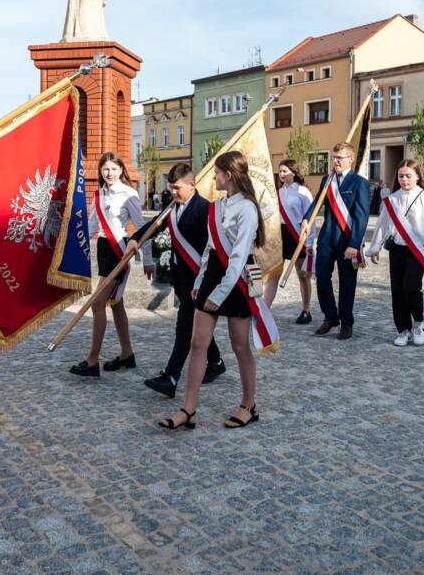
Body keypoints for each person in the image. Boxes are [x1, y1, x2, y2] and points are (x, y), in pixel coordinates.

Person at [159, 151, 272, 432]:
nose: (214, 177)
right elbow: (210, 249)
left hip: (236, 281)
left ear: (229, 175)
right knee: (198, 343)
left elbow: (238, 256)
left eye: (218, 173)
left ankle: (248, 405)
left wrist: (219, 294)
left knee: (239, 345)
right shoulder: (219, 206)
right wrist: (199, 283)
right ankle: (189, 409)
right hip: (212, 278)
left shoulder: (246, 209)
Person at [125, 163, 226, 397]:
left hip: (200, 281)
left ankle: (171, 377)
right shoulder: (172, 206)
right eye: (170, 188)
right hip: (181, 280)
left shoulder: (204, 209)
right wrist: (136, 239)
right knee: (195, 327)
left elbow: (213, 249)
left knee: (185, 328)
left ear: (192, 185)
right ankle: (217, 362)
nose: (173, 192)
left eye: (177, 188)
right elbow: (154, 226)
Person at [69, 152, 153, 377]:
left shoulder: (129, 194)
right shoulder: (98, 195)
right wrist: (74, 248)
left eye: (114, 169)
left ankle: (92, 361)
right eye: (105, 169)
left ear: (121, 170)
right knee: (116, 303)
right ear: (100, 171)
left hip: (120, 251)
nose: (109, 173)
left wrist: (148, 259)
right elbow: (91, 226)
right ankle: (127, 354)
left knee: (97, 305)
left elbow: (142, 227)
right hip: (104, 250)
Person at [364, 160, 424, 346]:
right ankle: (403, 329)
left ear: (417, 176)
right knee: (397, 290)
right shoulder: (392, 199)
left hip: (418, 249)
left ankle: (418, 324)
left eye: (408, 175)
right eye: (401, 176)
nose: (405, 179)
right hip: (397, 250)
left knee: (411, 287)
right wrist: (375, 247)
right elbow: (382, 225)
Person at [305, 142, 370, 340]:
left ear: (350, 159)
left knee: (347, 283)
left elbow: (361, 216)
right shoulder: (327, 180)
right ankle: (330, 317)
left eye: (339, 158)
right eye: (334, 158)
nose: (335, 162)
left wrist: (353, 244)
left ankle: (346, 322)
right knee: (322, 278)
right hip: (326, 239)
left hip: (347, 241)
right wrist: (306, 219)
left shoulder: (359, 182)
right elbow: (316, 204)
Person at [268, 159, 314, 324]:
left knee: (302, 275)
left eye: (285, 171)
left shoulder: (303, 192)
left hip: (297, 236)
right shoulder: (277, 193)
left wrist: (309, 243)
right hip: (280, 236)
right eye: (280, 171)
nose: (281, 174)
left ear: (294, 173)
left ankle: (306, 310)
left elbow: (311, 217)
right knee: (274, 274)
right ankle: (265, 311)